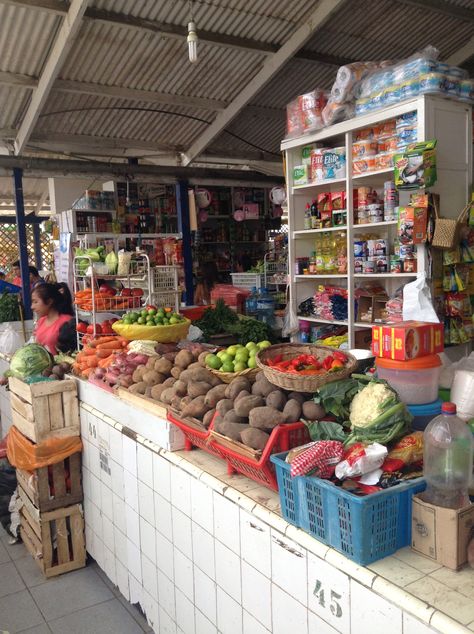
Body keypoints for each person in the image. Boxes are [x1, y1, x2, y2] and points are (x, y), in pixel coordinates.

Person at [32, 283, 76, 354]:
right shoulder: (41, 321)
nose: (32, 307)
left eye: (35, 302)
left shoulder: (68, 322)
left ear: (49, 301)